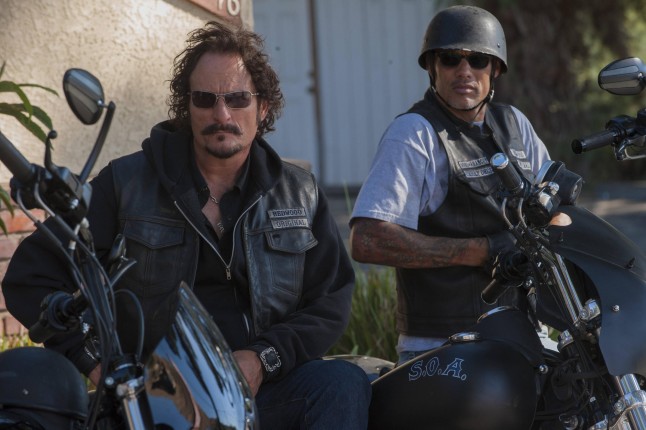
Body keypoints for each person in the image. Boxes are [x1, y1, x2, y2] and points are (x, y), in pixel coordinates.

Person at [2, 21, 370, 429]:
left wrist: (262, 359)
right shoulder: (126, 184)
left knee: (342, 384)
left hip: (261, 389)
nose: (221, 114)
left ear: (263, 107)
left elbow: (330, 300)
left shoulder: (298, 193)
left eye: (237, 99)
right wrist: (99, 367)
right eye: (205, 99)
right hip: (157, 404)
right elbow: (30, 278)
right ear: (186, 107)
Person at [349, 5, 551, 365]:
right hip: (447, 346)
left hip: (528, 330)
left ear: (495, 69)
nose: (464, 70)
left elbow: (557, 202)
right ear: (432, 66)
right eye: (450, 58)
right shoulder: (414, 133)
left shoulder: (514, 124)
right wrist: (484, 251)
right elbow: (368, 239)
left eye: (478, 60)